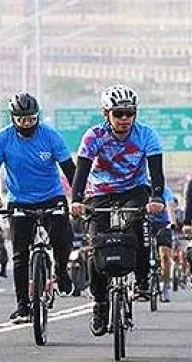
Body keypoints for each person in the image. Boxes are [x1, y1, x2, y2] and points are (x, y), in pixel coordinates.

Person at [71, 84, 165, 336]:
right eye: (118, 114)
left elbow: (156, 172)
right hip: (100, 192)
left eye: (129, 113)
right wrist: (76, 199)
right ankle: (100, 303)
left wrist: (157, 197)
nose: (125, 119)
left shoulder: (146, 135)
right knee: (95, 245)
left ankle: (143, 280)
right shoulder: (94, 136)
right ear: (106, 114)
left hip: (134, 190)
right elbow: (81, 171)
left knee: (138, 224)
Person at [0, 92, 75, 323]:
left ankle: (62, 271)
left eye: (31, 119)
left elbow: (69, 168)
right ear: (13, 118)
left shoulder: (51, 136)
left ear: (38, 116)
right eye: (22, 120)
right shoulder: (2, 139)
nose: (27, 124)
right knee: (19, 253)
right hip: (20, 200)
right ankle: (22, 305)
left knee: (62, 238)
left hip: (51, 196)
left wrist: (77, 198)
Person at [148, 185, 178, 303]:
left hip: (163, 224)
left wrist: (172, 223)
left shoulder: (164, 189)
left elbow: (170, 205)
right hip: (146, 223)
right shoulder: (140, 185)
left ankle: (165, 285)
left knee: (165, 256)